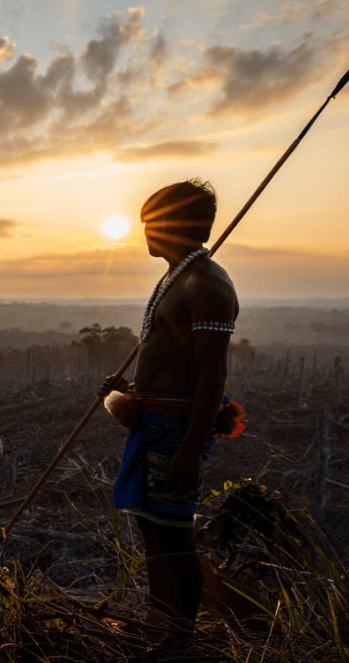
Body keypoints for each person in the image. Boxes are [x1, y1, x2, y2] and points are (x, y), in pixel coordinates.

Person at [100, 179, 239, 649]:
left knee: (174, 539)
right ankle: (160, 626)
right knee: (154, 535)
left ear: (172, 225)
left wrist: (188, 450)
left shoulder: (208, 285)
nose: (144, 234)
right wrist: (128, 391)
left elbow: (211, 376)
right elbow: (173, 358)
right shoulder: (179, 278)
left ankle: (177, 642)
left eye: (150, 224)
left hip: (175, 434)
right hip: (155, 425)